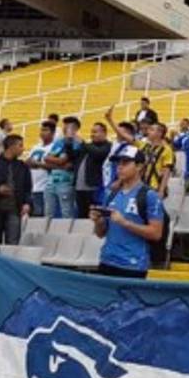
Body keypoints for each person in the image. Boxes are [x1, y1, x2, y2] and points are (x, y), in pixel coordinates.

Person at [90, 146, 165, 278]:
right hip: (107, 260)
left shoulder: (149, 195)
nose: (119, 167)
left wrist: (125, 223)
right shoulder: (111, 194)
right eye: (118, 163)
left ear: (139, 166)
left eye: (125, 163)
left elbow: (156, 233)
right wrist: (98, 221)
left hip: (133, 264)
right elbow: (100, 234)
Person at [42, 117, 82, 219]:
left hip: (66, 182)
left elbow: (63, 160)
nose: (65, 128)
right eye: (64, 125)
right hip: (51, 181)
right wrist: (60, 164)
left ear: (75, 128)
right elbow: (46, 158)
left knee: (66, 212)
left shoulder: (77, 143)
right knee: (48, 212)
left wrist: (56, 162)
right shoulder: (59, 142)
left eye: (68, 126)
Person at [75, 122, 112, 215]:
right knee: (81, 215)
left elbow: (98, 153)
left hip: (94, 187)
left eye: (95, 132)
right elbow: (73, 156)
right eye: (91, 132)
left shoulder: (108, 146)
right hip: (80, 187)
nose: (92, 134)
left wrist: (83, 143)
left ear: (104, 133)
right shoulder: (88, 146)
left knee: (94, 215)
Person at [26, 121, 56, 217]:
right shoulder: (35, 147)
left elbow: (55, 167)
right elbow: (28, 161)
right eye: (41, 130)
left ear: (52, 132)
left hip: (45, 187)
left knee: (41, 215)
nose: (42, 132)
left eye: (45, 130)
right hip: (32, 186)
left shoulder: (55, 147)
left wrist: (38, 164)